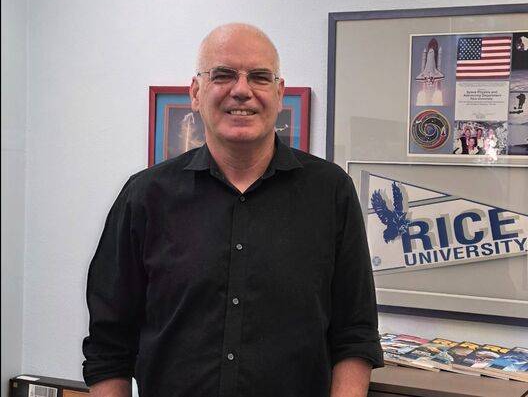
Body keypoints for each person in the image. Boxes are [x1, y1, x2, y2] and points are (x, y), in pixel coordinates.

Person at [82, 23, 383, 397]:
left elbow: (355, 334)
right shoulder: (144, 197)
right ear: (196, 93)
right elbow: (109, 346)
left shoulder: (331, 192)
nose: (242, 90)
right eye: (223, 75)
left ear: (279, 93)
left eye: (259, 77)